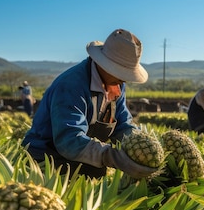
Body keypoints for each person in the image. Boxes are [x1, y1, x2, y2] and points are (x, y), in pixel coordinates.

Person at [22, 28, 157, 179]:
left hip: (84, 159)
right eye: (120, 72)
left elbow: (122, 125)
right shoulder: (71, 86)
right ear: (104, 64)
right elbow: (69, 140)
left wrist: (142, 146)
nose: (123, 79)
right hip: (46, 160)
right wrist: (111, 156)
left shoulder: (116, 84)